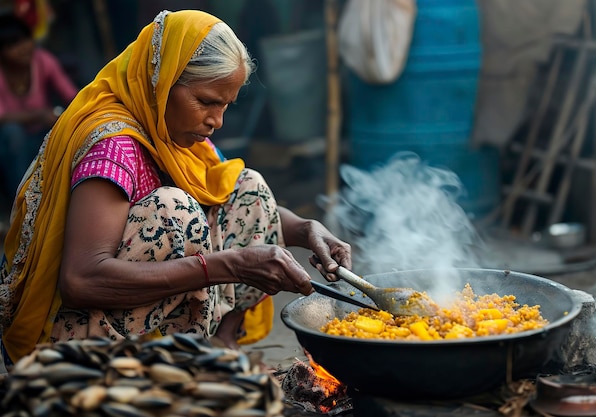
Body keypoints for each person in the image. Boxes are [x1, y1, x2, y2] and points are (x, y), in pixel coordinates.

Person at [0, 9, 351, 367]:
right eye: (207, 102)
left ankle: (219, 343)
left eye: (226, 105)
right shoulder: (113, 144)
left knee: (249, 187)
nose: (217, 121)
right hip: (69, 342)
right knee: (173, 210)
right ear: (162, 82)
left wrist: (307, 230)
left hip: (136, 313)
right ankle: (155, 363)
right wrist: (227, 265)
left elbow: (230, 203)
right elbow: (81, 281)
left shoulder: (174, 134)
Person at [0, 12, 79, 197]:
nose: (23, 48)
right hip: (9, 146)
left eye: (26, 40)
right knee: (13, 133)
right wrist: (40, 115)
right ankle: (21, 202)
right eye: (13, 44)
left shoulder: (42, 60)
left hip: (41, 135)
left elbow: (71, 95)